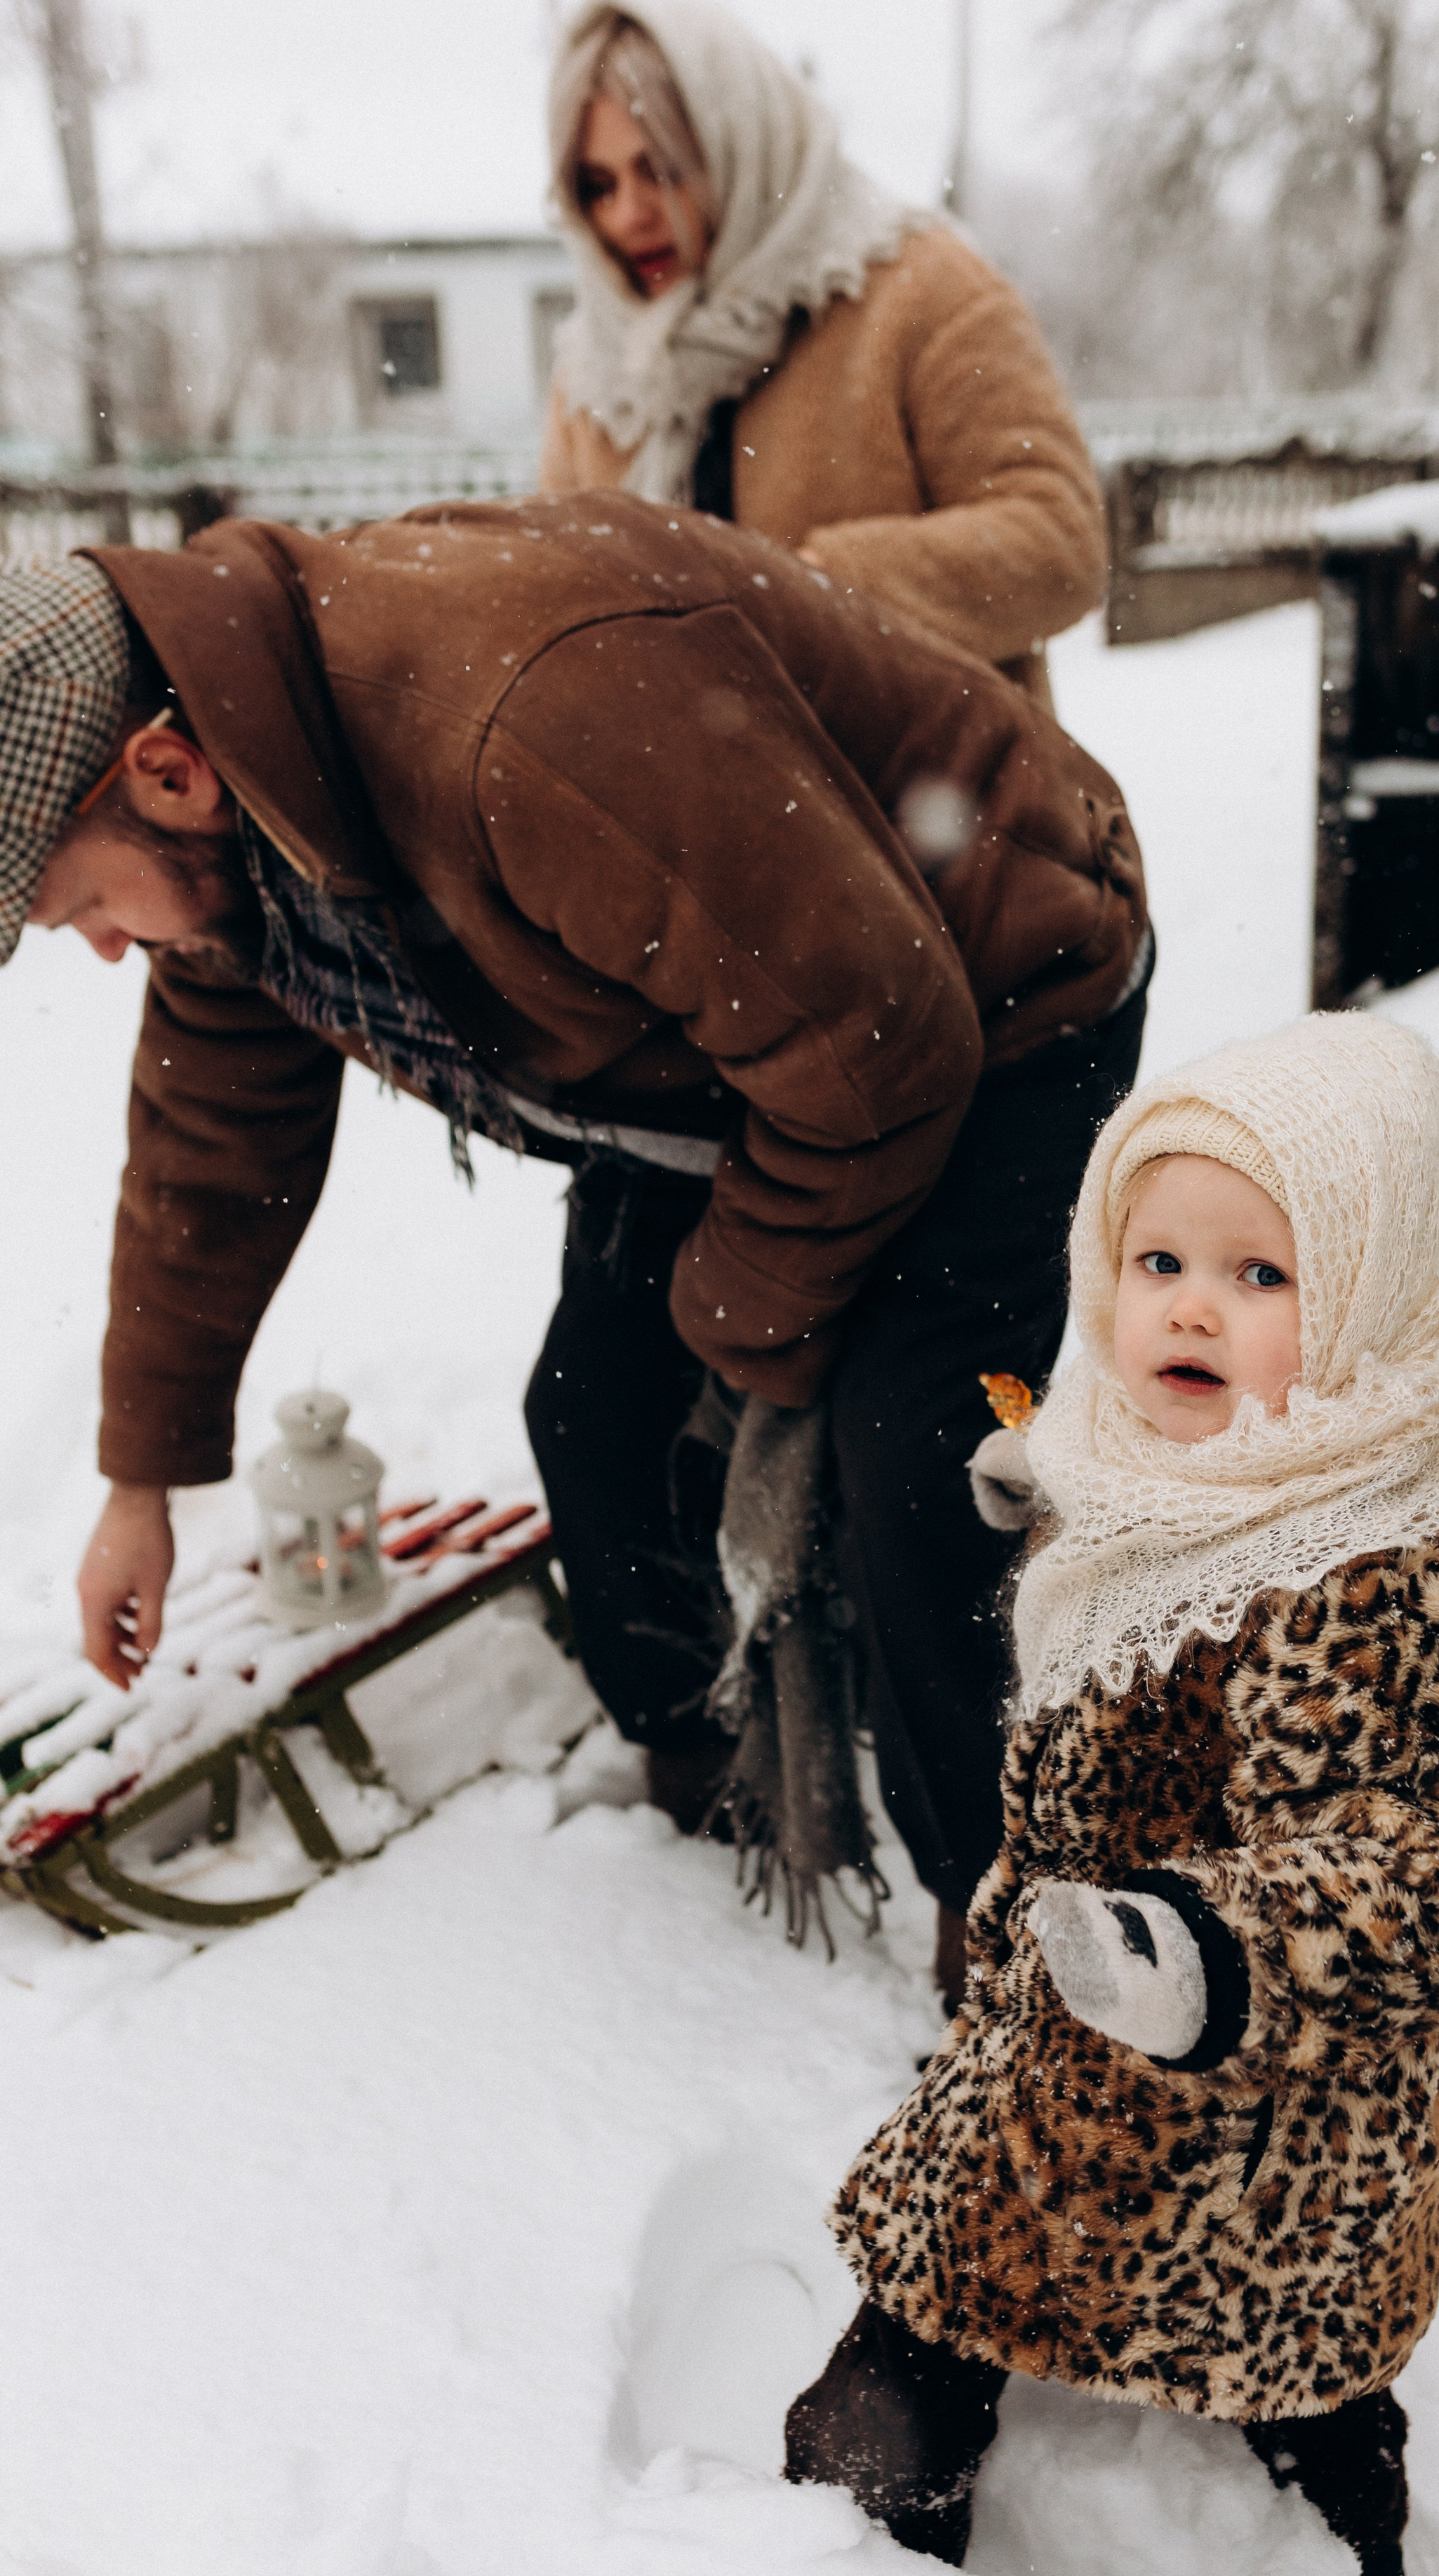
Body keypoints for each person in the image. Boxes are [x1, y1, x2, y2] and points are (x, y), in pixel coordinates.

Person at [0, 507, 1146, 1984]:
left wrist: (744, 1328)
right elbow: (212, 1151)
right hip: (720, 1043)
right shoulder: (250, 822)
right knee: (595, 1414)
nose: (104, 947)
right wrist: (141, 1479)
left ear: (165, 772)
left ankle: (1005, 1922)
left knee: (906, 1447)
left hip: (990, 983)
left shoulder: (521, 727)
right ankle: (705, 1779)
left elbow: (874, 1042)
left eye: (82, 905)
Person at [787, 1014, 1439, 2576]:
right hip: (1084, 1983)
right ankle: (841, 2549)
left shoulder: (1385, 1562)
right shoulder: (1201, 1466)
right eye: (1154, 1258)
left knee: (1284, 2324)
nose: (1189, 1306)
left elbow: (1422, 1856)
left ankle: (1357, 2563)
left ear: (1376, 1291)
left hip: (1277, 2065)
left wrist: (1200, 1949)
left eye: (1262, 1276)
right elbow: (1145, 1557)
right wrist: (1055, 1490)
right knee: (973, 2225)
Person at [540, 2, 1106, 699]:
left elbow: (1059, 546)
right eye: (597, 185)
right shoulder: (598, 368)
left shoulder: (922, 289)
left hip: (919, 800)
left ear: (743, 148)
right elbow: (561, 602)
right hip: (687, 802)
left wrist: (810, 590)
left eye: (661, 168)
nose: (628, 214)